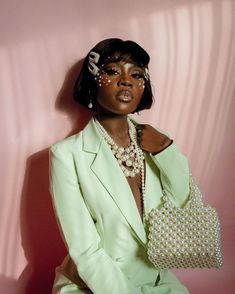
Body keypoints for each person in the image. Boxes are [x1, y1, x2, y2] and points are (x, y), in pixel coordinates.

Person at [50, 38, 190, 293]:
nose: (126, 80)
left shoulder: (156, 143)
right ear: (93, 79)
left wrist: (167, 151)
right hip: (93, 285)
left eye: (137, 74)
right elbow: (85, 249)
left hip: (157, 282)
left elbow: (181, 207)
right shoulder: (66, 154)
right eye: (113, 71)